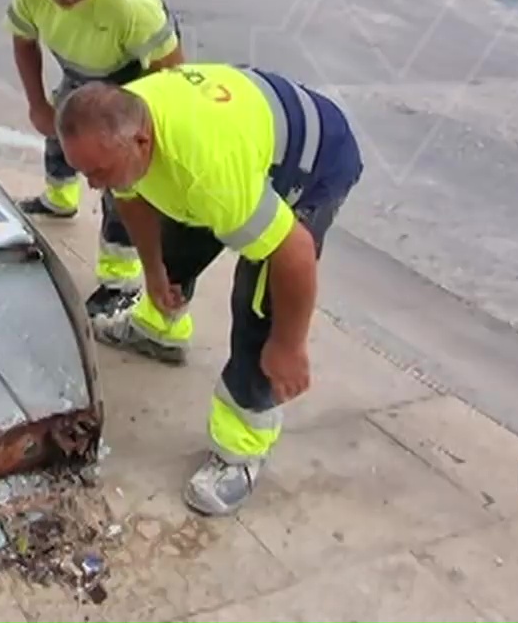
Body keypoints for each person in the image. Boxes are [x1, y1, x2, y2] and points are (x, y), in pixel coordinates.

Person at [54, 66, 364, 517]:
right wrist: (156, 275)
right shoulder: (122, 125)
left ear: (142, 143)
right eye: (84, 172)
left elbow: (293, 252)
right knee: (175, 238)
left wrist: (289, 345)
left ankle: (242, 450)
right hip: (235, 140)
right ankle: (160, 331)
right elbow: (132, 196)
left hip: (313, 161)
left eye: (99, 171)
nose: (93, 184)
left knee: (259, 306)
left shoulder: (209, 174)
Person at [7, 0, 183, 317]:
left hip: (133, 73)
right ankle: (59, 198)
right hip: (79, 66)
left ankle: (120, 281)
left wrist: (142, 144)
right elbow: (24, 42)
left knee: (120, 181)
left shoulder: (130, 2)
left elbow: (171, 78)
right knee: (62, 129)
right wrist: (37, 104)